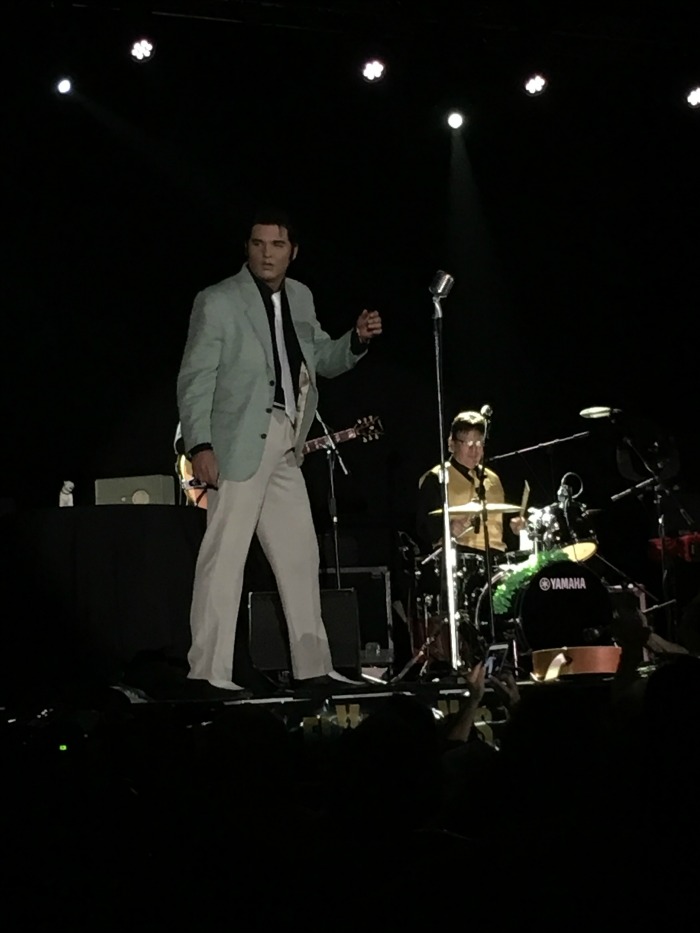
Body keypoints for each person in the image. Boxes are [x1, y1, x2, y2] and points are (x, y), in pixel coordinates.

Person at [176, 207, 382, 695]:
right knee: (224, 557)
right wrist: (200, 444)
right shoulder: (218, 300)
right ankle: (207, 672)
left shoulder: (301, 297)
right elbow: (195, 379)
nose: (266, 254)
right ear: (247, 248)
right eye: (258, 244)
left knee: (300, 555)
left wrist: (355, 341)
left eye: (277, 245)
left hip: (287, 441)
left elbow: (320, 357)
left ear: (293, 252)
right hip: (238, 442)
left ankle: (313, 669)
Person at [416, 409, 525, 554]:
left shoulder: (493, 479)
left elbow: (501, 527)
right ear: (451, 444)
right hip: (461, 556)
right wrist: (447, 528)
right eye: (469, 444)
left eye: (479, 444)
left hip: (497, 557)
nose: (475, 451)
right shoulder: (437, 477)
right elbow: (423, 528)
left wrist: (514, 528)